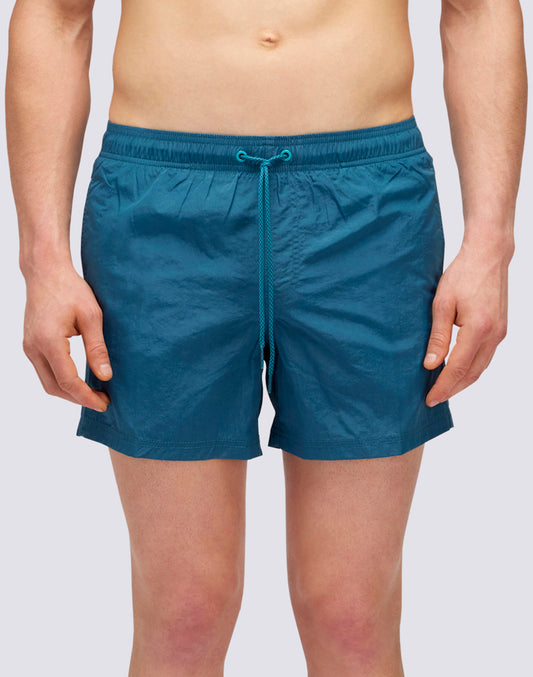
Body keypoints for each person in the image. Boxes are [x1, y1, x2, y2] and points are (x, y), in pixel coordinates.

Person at [5, 0, 527, 675]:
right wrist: (41, 256)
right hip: (161, 208)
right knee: (184, 613)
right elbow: (55, 14)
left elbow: (478, 9)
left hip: (368, 208)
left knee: (351, 614)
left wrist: (490, 241)